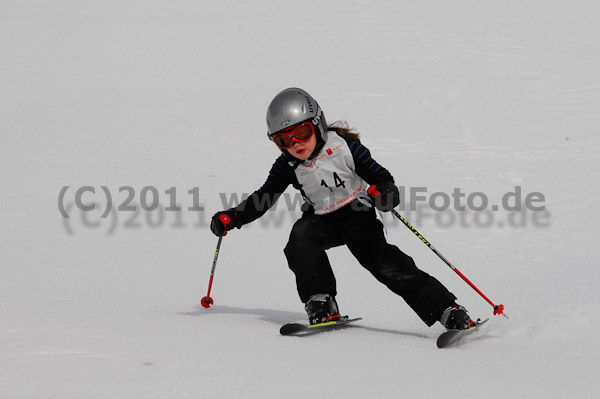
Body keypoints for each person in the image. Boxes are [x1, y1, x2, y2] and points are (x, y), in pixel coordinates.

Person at [210, 87, 474, 330]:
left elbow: (380, 176)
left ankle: (447, 311)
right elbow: (265, 197)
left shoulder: (345, 149)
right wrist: (232, 217)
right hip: (322, 220)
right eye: (283, 141)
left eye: (301, 134)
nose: (295, 145)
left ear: (318, 125)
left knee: (387, 266)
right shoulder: (287, 166)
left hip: (358, 217)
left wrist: (386, 194)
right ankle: (321, 302)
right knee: (301, 237)